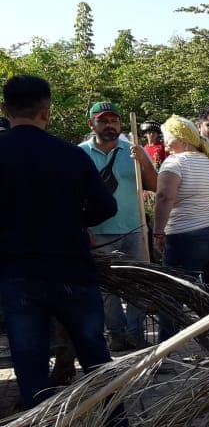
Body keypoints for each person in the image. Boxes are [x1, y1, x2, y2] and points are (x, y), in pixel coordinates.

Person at [0, 74, 126, 427]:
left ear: (5, 110)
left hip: (17, 272)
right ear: (47, 112)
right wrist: (73, 221)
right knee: (95, 353)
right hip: (72, 267)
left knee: (30, 361)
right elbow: (106, 205)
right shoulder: (71, 155)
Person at [152, 116, 209, 337]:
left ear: (181, 139)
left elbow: (164, 197)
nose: (164, 143)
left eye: (167, 138)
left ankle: (164, 348)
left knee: (173, 293)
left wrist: (158, 231)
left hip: (189, 237)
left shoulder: (175, 162)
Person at [79, 100, 158, 352]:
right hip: (98, 232)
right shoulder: (80, 153)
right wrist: (83, 228)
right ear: (92, 124)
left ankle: (135, 332)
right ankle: (116, 333)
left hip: (134, 229)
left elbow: (155, 185)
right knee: (108, 289)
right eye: (103, 120)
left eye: (114, 120)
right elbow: (73, 194)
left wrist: (144, 162)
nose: (109, 125)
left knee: (138, 284)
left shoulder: (133, 150)